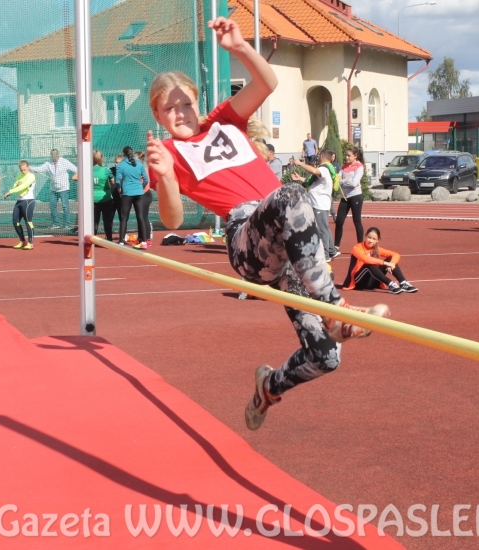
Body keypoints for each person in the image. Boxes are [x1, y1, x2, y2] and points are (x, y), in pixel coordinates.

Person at [145, 16, 390, 431]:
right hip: (248, 242)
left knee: (325, 357)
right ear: (158, 114)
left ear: (197, 101)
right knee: (290, 193)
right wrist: (167, 175)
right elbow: (172, 218)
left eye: (185, 102)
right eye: (169, 108)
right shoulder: (168, 152)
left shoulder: (224, 120)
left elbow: (267, 82)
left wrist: (239, 47)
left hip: (291, 244)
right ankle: (336, 310)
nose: (180, 113)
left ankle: (268, 387)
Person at [290, 151, 339, 260]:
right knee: (324, 228)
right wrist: (300, 179)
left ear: (322, 156)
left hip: (320, 204)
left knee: (322, 230)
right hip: (318, 203)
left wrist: (300, 163)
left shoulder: (324, 169)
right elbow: (315, 183)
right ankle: (331, 250)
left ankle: (326, 255)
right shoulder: (326, 169)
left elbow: (313, 170)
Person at [344, 227, 418, 294]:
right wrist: (385, 263)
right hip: (358, 282)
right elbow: (365, 259)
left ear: (378, 240)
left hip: (372, 283)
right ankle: (391, 284)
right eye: (369, 237)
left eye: (374, 239)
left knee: (390, 259)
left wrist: (391, 263)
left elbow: (396, 254)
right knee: (369, 264)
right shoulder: (357, 248)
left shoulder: (377, 249)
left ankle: (403, 283)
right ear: (365, 236)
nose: (370, 240)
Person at [116, 145, 150, 249]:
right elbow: (146, 180)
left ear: (124, 154)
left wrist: (120, 191)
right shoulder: (139, 164)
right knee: (140, 217)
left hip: (127, 194)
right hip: (139, 193)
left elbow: (118, 181)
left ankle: (121, 241)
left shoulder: (121, 165)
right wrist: (140, 187)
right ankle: (144, 241)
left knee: (124, 217)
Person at [34, 149, 78, 229]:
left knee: (65, 206)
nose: (53, 156)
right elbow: (40, 169)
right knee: (52, 205)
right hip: (54, 189)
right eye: (51, 154)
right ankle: (55, 224)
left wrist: (76, 176)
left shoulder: (64, 162)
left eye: (54, 154)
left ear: (58, 154)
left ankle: (67, 224)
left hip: (64, 188)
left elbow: (76, 169)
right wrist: (29, 168)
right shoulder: (48, 163)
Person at [334, 145, 365, 250]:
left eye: (349, 156)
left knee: (357, 221)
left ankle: (361, 246)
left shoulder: (359, 167)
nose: (346, 157)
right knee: (339, 221)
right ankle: (336, 246)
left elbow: (354, 183)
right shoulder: (343, 167)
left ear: (355, 156)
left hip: (356, 196)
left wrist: (342, 182)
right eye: (345, 155)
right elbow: (337, 181)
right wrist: (344, 181)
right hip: (345, 197)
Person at [3, 161, 36, 250]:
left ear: (28, 167)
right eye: (21, 170)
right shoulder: (19, 175)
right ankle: (22, 241)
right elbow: (15, 185)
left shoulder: (31, 176)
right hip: (19, 201)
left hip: (28, 201)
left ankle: (30, 243)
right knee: (15, 221)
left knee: (28, 222)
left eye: (24, 169)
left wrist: (10, 191)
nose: (23, 172)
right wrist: (15, 186)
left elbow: (23, 186)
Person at [92, 151, 116, 241]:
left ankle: (93, 239)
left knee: (94, 221)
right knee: (107, 221)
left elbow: (75, 177)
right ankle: (109, 239)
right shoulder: (106, 170)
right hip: (106, 199)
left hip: (93, 199)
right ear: (101, 159)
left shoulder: (87, 170)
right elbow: (112, 182)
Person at [137, 151, 154, 247]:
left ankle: (146, 238)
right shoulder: (142, 169)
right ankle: (142, 238)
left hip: (144, 194)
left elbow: (143, 183)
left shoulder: (142, 169)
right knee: (141, 217)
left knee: (143, 218)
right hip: (144, 194)